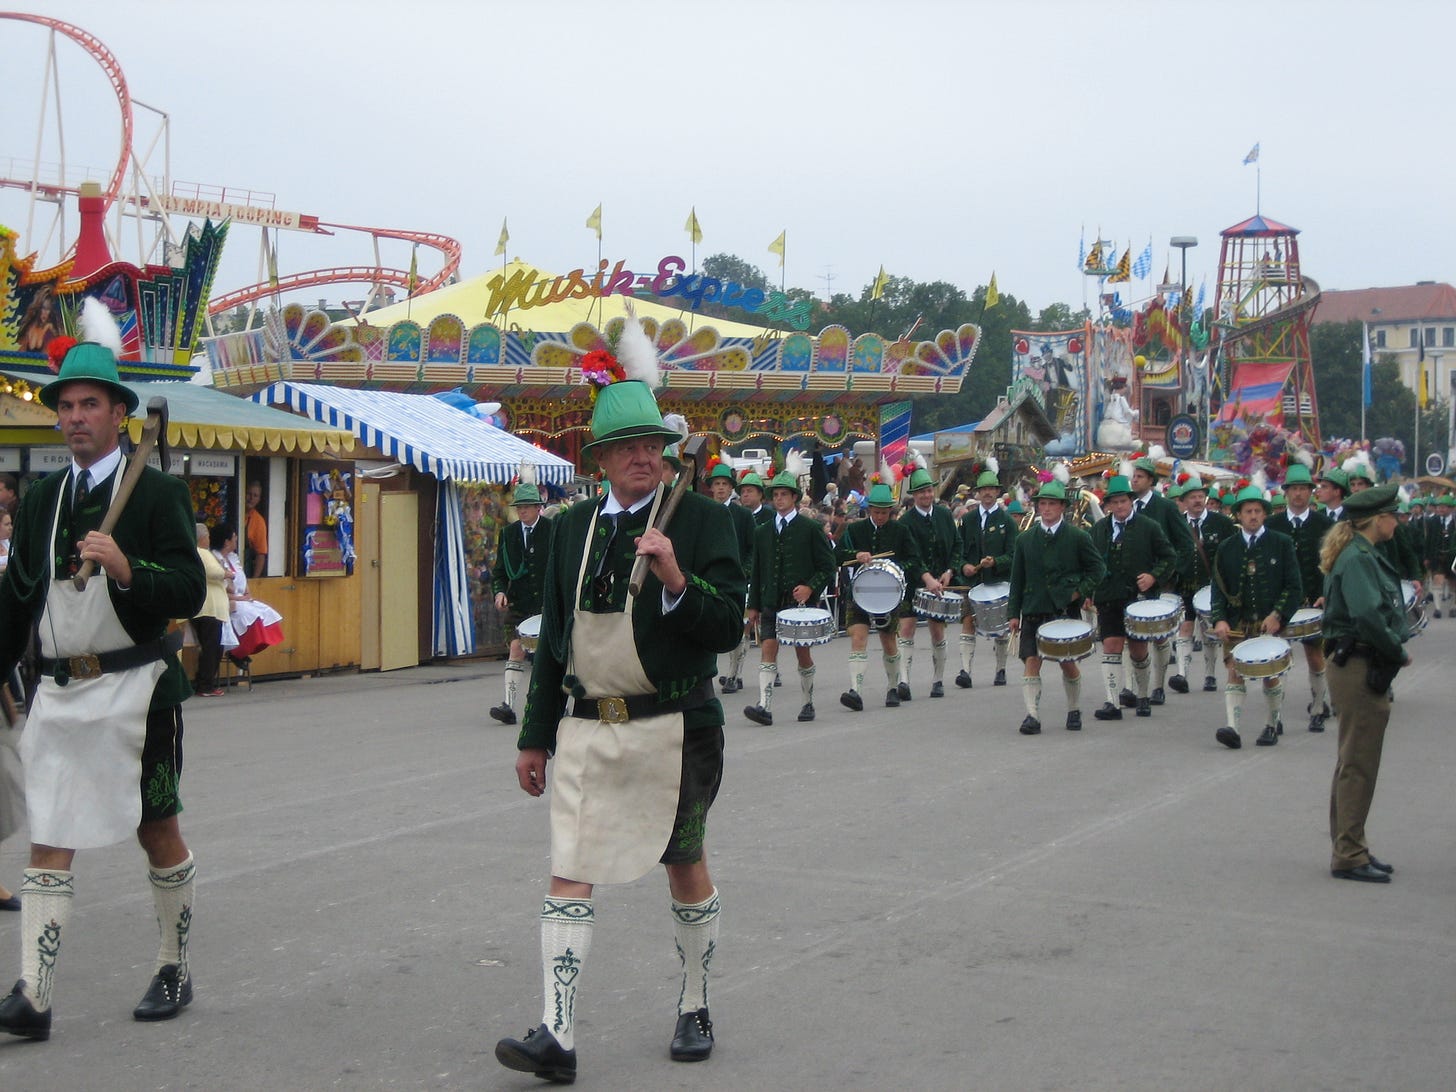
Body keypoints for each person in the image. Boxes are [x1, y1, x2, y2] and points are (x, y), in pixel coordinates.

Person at [494, 322, 745, 1082]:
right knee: (569, 867)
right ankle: (557, 1036)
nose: (644, 456)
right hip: (585, 729)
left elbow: (729, 622)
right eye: (628, 446)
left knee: (684, 864)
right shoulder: (570, 530)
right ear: (599, 458)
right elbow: (556, 645)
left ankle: (695, 1002)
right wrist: (533, 738)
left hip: (676, 726)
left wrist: (676, 579)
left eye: (653, 445)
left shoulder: (701, 521)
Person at [0, 338, 206, 1040]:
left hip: (139, 690)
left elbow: (189, 587)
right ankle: (34, 992)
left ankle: (174, 966)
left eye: (90, 404)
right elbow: (15, 599)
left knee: (157, 830)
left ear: (120, 413)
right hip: (60, 696)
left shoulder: (158, 492)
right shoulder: (41, 503)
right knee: (49, 835)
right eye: (65, 406)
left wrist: (127, 568)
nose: (75, 417)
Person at [1320, 484, 1410, 883]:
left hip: (1357, 661)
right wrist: (1396, 649)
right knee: (1358, 764)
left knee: (1353, 762)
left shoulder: (1363, 553)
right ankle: (1349, 854)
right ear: (1378, 519)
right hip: (1356, 662)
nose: (1399, 520)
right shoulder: (1357, 557)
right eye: (1395, 514)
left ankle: (1350, 845)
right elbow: (1368, 615)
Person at [1208, 484, 1303, 750]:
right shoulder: (1227, 547)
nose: (1252, 515)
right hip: (1238, 622)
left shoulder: (1281, 543)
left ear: (1264, 514)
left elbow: (1294, 586)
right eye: (1247, 511)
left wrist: (1278, 615)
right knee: (1234, 671)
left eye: (1257, 511)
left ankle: (1271, 725)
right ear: (1238, 515)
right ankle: (1233, 729)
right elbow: (1218, 588)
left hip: (1268, 622)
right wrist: (1219, 619)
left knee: (1270, 674)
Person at [1006, 480, 1105, 735]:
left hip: (1063, 609)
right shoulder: (1025, 539)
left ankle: (1073, 709)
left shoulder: (1078, 537)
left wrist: (1079, 591)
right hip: (1033, 607)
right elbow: (1017, 579)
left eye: (1052, 504)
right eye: (1042, 504)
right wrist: (1013, 614)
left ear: (1062, 507)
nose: (1046, 508)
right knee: (1031, 660)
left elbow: (1098, 569)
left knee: (1067, 662)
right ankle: (1032, 716)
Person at [744, 455, 835, 725]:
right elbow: (758, 570)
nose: (779, 499)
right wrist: (754, 605)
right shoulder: (762, 531)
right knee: (768, 648)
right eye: (776, 495)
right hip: (772, 599)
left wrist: (810, 587)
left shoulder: (810, 528)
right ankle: (765, 706)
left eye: (784, 494)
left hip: (799, 605)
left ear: (794, 497)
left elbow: (828, 566)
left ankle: (808, 703)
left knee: (801, 652)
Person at [1087, 475, 1177, 720]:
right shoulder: (1099, 529)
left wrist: (1153, 576)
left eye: (1123, 501)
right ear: (1108, 505)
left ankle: (1143, 696)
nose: (1119, 506)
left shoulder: (1148, 527)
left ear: (1131, 501)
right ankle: (1112, 702)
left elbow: (1169, 556)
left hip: (1140, 599)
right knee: (1111, 646)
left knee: (1138, 650)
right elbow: (1090, 563)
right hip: (1108, 597)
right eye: (1114, 502)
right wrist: (1088, 592)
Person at [836, 471, 921, 710]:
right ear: (869, 509)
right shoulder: (854, 531)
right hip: (860, 591)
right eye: (877, 512)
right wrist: (856, 555)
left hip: (889, 593)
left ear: (891, 512)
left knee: (888, 640)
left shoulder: (900, 531)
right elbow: (836, 555)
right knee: (858, 637)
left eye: (885, 512)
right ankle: (855, 690)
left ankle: (892, 688)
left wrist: (896, 568)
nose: (881, 516)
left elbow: (914, 560)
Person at [1265, 464, 1336, 731]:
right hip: (1279, 603)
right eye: (1293, 489)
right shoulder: (1272, 524)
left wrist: (1326, 594)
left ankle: (1318, 706)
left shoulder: (1325, 524)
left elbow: (1332, 565)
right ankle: (1275, 715)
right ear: (1285, 493)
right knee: (1276, 657)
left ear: (1311, 492)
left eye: (1303, 489)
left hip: (1313, 601)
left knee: (1315, 655)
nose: (1298, 494)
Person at [1127, 454, 1195, 706]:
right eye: (1134, 476)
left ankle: (1158, 685)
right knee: (1131, 634)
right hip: (1132, 580)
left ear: (1151, 481)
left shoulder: (1165, 507)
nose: (1135, 480)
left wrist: (1169, 574)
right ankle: (1132, 687)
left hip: (1161, 581)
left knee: (1158, 634)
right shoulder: (1127, 505)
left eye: (1140, 476)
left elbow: (1186, 545)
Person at [490, 469, 554, 725]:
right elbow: (499, 571)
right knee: (516, 649)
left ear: (539, 508)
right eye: (519, 507)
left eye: (527, 507)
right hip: (519, 603)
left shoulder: (553, 529)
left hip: (546, 603)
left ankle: (545, 705)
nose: (522, 511)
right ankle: (508, 705)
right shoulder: (508, 534)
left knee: (544, 658)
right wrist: (500, 591)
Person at [896, 460, 962, 700]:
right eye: (921, 491)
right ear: (913, 495)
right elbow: (907, 556)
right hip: (913, 583)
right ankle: (903, 680)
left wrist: (950, 570)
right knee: (906, 628)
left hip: (940, 583)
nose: (926, 494)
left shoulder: (945, 515)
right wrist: (925, 578)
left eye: (929, 490)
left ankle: (938, 679)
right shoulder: (905, 522)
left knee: (937, 631)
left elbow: (957, 545)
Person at [1172, 476, 1238, 695]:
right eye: (1193, 497)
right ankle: (1182, 674)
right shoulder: (1177, 523)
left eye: (1201, 496)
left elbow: (1231, 553)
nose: (1198, 500)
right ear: (1184, 501)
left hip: (1213, 586)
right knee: (1185, 626)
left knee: (1209, 630)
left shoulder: (1222, 523)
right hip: (1185, 584)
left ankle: (1210, 675)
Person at [956, 469, 1017, 688]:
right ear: (978, 493)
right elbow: (959, 549)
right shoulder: (968, 520)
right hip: (973, 582)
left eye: (992, 489)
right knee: (967, 621)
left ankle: (1000, 669)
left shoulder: (1007, 521)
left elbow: (1013, 555)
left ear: (998, 492)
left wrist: (997, 562)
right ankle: (965, 670)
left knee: (1001, 625)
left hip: (999, 581)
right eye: (984, 489)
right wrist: (964, 566)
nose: (988, 493)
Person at [706, 459, 756, 695]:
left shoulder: (743, 515)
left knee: (739, 626)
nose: (721, 488)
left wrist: (743, 572)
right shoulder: (703, 511)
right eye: (717, 483)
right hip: (709, 577)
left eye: (725, 484)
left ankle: (735, 674)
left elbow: (751, 548)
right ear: (711, 487)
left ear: (731, 487)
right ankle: (709, 673)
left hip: (737, 580)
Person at [210, 524, 284, 660]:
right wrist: (240, 599)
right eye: (234, 538)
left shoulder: (233, 558)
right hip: (225, 601)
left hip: (239, 598)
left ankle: (243, 651)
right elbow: (220, 591)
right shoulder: (214, 561)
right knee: (249, 613)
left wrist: (246, 595)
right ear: (226, 542)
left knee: (265, 610)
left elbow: (244, 586)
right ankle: (237, 651)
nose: (236, 540)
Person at [191, 524, 231, 698]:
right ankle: (205, 685)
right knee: (211, 647)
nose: (209, 539)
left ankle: (204, 682)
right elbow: (213, 572)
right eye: (207, 536)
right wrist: (227, 573)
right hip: (209, 608)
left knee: (210, 646)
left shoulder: (195, 553)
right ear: (202, 538)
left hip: (204, 607)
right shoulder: (202, 552)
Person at [243, 480, 268, 579]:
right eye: (249, 494)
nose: (251, 498)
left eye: (255, 496)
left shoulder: (258, 521)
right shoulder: (230, 512)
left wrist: (254, 580)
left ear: (259, 499)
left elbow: (261, 554)